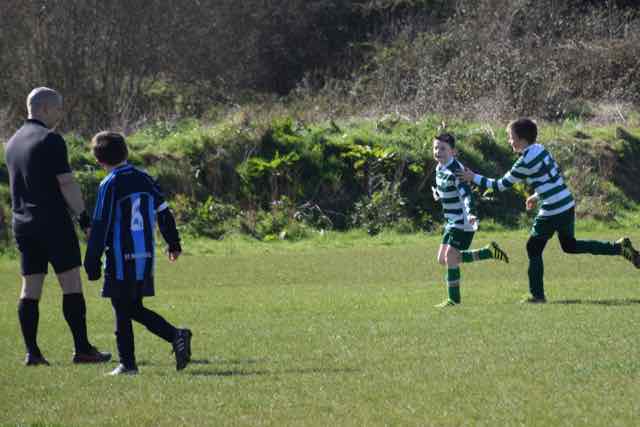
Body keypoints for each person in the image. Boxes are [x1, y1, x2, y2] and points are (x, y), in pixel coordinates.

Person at [458, 118, 640, 303]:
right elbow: (550, 177)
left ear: (521, 139)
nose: (509, 141)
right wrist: (536, 196)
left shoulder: (525, 161)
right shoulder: (540, 149)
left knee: (533, 247)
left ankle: (537, 295)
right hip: (566, 203)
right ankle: (619, 248)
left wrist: (473, 177)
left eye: (511, 137)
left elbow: (500, 185)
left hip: (553, 209)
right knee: (570, 245)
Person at [4, 87, 111, 365]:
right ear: (44, 108)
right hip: (53, 223)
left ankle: (33, 353)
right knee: (71, 283)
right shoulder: (50, 139)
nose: (60, 115)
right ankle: (82, 349)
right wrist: (84, 219)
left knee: (30, 288)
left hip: (23, 224)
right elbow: (66, 182)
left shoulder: (12, 142)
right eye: (58, 109)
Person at [84, 131, 192, 375]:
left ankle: (128, 364)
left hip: (120, 257)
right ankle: (175, 336)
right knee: (132, 307)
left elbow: (100, 225)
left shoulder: (109, 184)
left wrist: (91, 262)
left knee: (121, 309)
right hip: (144, 256)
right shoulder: (145, 178)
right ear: (126, 152)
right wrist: (173, 243)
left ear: (99, 160)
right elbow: (164, 212)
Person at [432, 133, 509, 308]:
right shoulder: (440, 168)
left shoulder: (456, 171)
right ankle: (488, 252)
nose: (438, 151)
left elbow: (467, 195)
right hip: (452, 221)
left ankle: (454, 300)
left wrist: (471, 213)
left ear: (453, 151)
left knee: (450, 257)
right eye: (436, 148)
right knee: (443, 259)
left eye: (443, 148)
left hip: (463, 221)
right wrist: (439, 194)